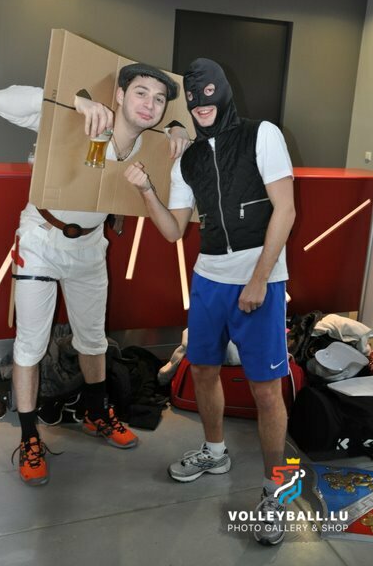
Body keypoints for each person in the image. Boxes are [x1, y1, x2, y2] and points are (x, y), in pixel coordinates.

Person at [124, 58, 296, 546]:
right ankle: (215, 452)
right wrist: (148, 191)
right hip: (209, 280)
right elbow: (174, 230)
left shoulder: (262, 135)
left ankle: (276, 491)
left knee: (266, 390)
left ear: (223, 91)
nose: (202, 105)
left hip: (260, 279)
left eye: (209, 94)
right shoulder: (189, 159)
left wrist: (259, 279)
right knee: (201, 370)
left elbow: (285, 209)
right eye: (193, 98)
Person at [0, 63, 186, 487]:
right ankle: (29, 438)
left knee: (93, 339)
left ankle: (97, 412)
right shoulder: (81, 119)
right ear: (120, 94)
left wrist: (178, 128)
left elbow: (182, 131)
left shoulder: (152, 143)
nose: (149, 104)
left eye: (159, 99)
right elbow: (0, 101)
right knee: (30, 344)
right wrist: (73, 104)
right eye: (141, 92)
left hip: (90, 246)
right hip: (42, 239)